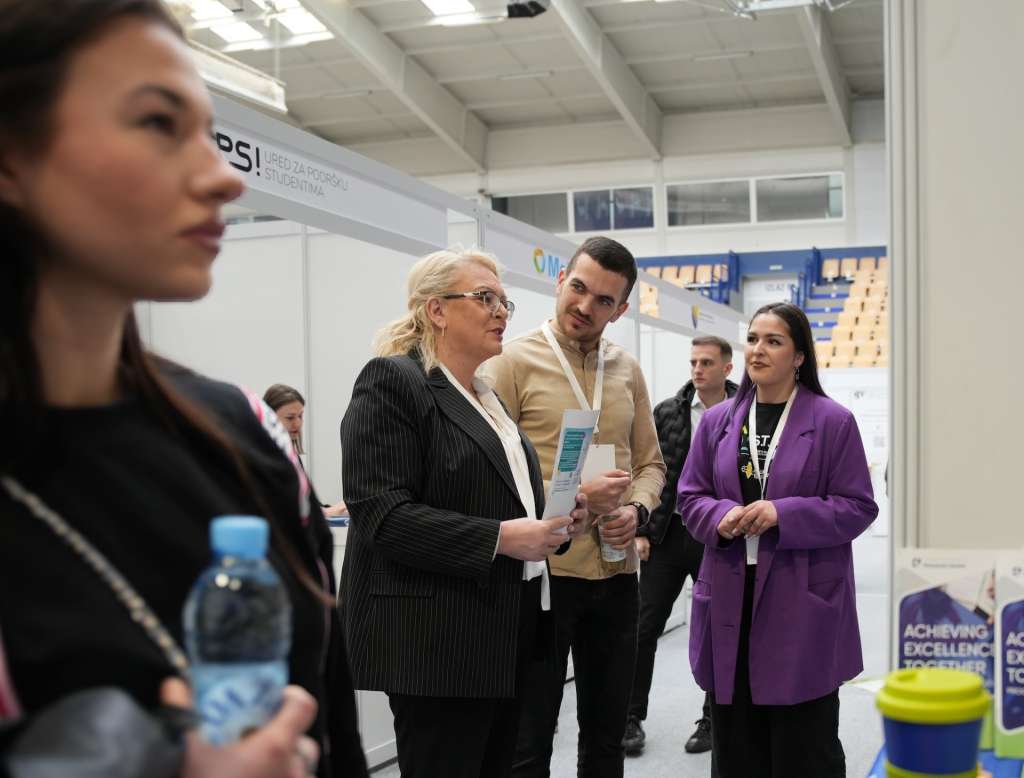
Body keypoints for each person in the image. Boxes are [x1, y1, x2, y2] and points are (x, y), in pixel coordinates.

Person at [0, 2, 366, 776]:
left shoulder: (240, 433)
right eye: (158, 123)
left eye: (208, 131)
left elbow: (328, 718)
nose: (224, 177)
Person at [339, 249, 590, 778]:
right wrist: (501, 538)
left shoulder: (484, 395)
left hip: (506, 632)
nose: (501, 312)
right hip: (439, 643)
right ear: (436, 310)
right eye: (485, 298)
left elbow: (503, 501)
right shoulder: (393, 381)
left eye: (504, 302)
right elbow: (382, 514)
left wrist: (559, 521)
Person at [483, 236, 666, 778]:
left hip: (616, 576)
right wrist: (580, 497)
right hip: (542, 580)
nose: (585, 306)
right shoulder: (510, 362)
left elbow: (651, 465)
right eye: (579, 288)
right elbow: (493, 475)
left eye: (604, 300)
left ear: (621, 310)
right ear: (561, 279)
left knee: (607, 740)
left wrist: (637, 511)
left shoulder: (627, 369)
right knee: (530, 742)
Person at [677, 302, 878, 778]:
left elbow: (857, 506)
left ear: (799, 356)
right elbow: (690, 496)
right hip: (730, 592)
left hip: (799, 594)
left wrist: (781, 514)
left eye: (773, 341)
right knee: (736, 744)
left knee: (804, 744)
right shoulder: (718, 421)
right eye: (752, 339)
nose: (758, 350)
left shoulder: (832, 422)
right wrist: (720, 516)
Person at [623, 336, 738, 757]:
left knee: (718, 629)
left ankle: (713, 720)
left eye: (707, 362)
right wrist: (641, 528)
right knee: (644, 626)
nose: (697, 369)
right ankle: (630, 717)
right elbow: (647, 469)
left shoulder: (745, 412)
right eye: (694, 362)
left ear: (727, 368)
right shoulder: (668, 411)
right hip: (668, 535)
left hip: (719, 537)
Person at [263, 383, 347, 518]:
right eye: (290, 418)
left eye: (300, 416)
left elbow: (306, 502)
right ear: (270, 417)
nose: (298, 423)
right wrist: (328, 512)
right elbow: (278, 508)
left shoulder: (291, 455)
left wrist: (338, 510)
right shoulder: (262, 458)